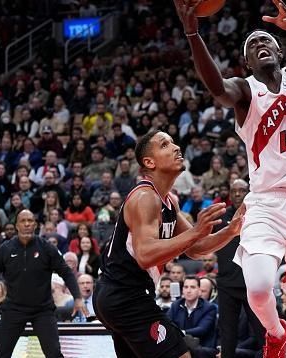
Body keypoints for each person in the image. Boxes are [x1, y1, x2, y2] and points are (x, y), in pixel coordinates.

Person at [175, 0, 286, 356]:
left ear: (279, 50)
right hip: (267, 203)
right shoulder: (245, 91)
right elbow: (215, 88)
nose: (260, 45)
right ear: (247, 63)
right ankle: (276, 332)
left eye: (266, 40)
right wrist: (193, 32)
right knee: (257, 287)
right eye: (252, 45)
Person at [93, 130, 244, 358]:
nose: (175, 148)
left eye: (173, 142)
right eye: (165, 145)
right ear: (149, 162)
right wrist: (195, 231)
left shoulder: (168, 201)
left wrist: (231, 231)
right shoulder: (145, 197)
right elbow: (145, 255)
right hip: (124, 294)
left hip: (121, 296)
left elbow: (195, 249)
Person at [0, 209, 87, 358]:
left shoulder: (47, 248)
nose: (26, 224)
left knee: (54, 353)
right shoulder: (5, 249)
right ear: (16, 225)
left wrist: (77, 297)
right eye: (23, 221)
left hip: (42, 310)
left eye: (30, 221)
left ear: (35, 225)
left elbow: (66, 272)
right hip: (14, 309)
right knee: (0, 354)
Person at [214, 179, 265, 358]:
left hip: (252, 283)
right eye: (233, 191)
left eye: (241, 191)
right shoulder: (220, 217)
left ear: (248, 192)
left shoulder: (258, 216)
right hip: (226, 284)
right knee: (227, 334)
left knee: (262, 332)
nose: (237, 194)